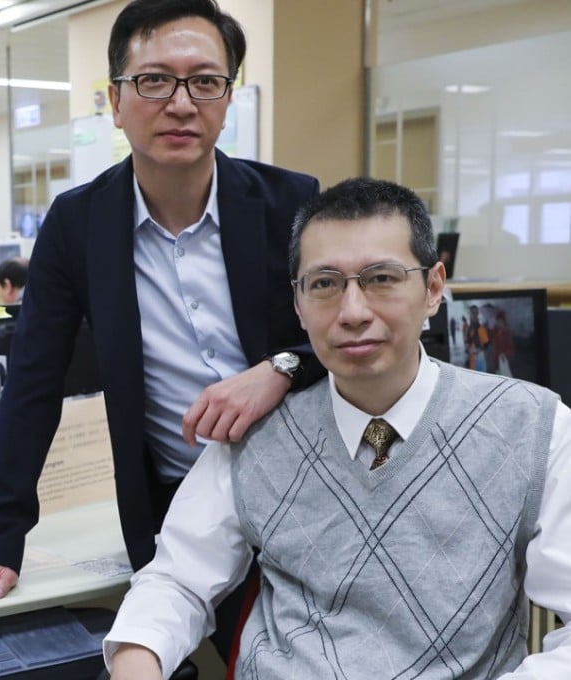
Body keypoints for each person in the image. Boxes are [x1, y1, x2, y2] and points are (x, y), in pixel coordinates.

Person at [0, 0, 323, 661]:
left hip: (309, 497)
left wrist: (281, 367)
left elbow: (358, 342)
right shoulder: (79, 224)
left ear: (228, 98)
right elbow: (33, 383)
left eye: (205, 81)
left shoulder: (294, 204)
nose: (181, 104)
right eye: (154, 80)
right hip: (176, 514)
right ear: (115, 101)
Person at [103, 177, 571, 679]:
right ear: (298, 304)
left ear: (434, 288)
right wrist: (137, 659)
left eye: (382, 278)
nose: (352, 313)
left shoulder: (533, 427)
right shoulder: (257, 432)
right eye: (325, 284)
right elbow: (176, 581)